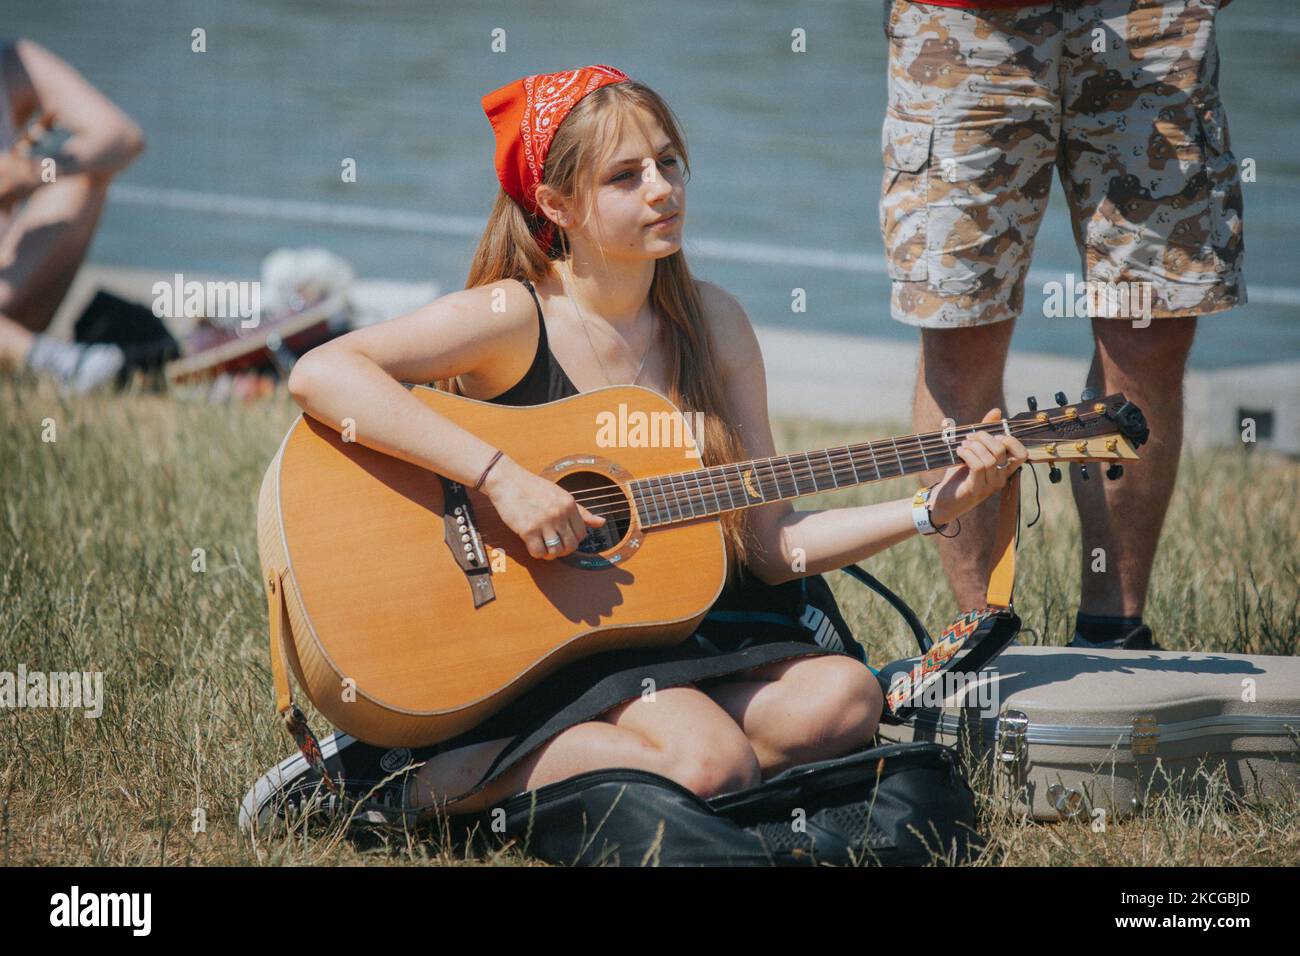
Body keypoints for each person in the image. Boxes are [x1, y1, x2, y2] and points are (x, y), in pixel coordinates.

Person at [246, 64, 1026, 830]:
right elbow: (323, 372)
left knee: (847, 699)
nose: (662, 188)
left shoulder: (714, 323)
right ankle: (396, 783)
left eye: (669, 163)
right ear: (558, 204)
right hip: (541, 639)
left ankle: (598, 757)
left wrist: (930, 507)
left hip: (663, 626)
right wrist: (501, 477)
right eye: (626, 176)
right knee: (714, 766)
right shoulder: (514, 317)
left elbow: (771, 546)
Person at [878, 0, 1243, 649]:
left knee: (1152, 322)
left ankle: (1114, 627)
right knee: (961, 326)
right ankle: (979, 642)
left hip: (1146, 17)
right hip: (967, 23)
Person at [0, 38, 145, 392]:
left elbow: (124, 137)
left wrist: (33, 173)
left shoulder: (14, 64)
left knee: (87, 176)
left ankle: (44, 358)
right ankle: (52, 362)